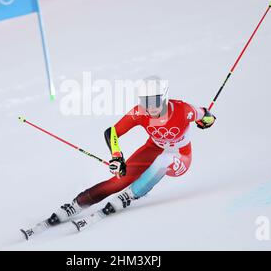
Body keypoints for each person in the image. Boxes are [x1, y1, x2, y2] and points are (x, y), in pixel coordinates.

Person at [47, 76, 216, 226]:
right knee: (119, 179)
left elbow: (205, 115)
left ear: (164, 98)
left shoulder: (183, 110)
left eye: (155, 101)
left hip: (180, 155)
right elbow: (112, 132)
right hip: (154, 148)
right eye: (146, 101)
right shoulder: (140, 112)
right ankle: (77, 204)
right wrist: (117, 157)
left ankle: (131, 194)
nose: (151, 107)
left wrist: (208, 120)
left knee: (164, 161)